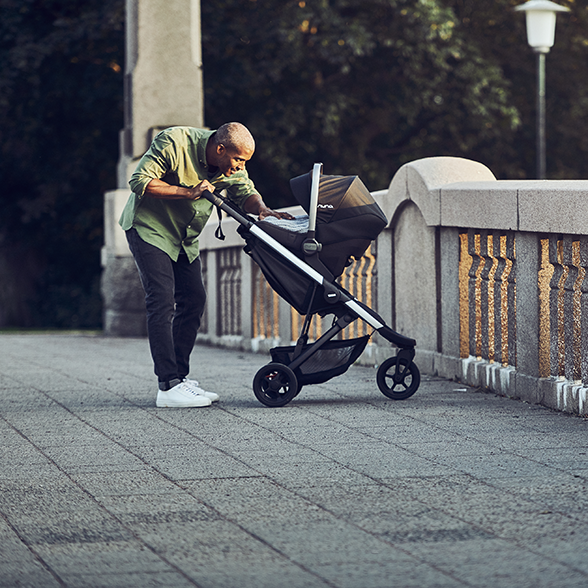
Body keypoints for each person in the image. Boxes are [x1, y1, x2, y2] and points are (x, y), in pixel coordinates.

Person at [119, 123, 293, 408]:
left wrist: (262, 208)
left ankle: (179, 378)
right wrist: (187, 193)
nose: (240, 166)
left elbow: (244, 190)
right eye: (238, 160)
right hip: (149, 229)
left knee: (194, 299)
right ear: (220, 149)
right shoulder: (175, 142)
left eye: (245, 162)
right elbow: (140, 181)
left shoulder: (231, 166)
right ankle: (167, 385)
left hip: (184, 238)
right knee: (161, 300)